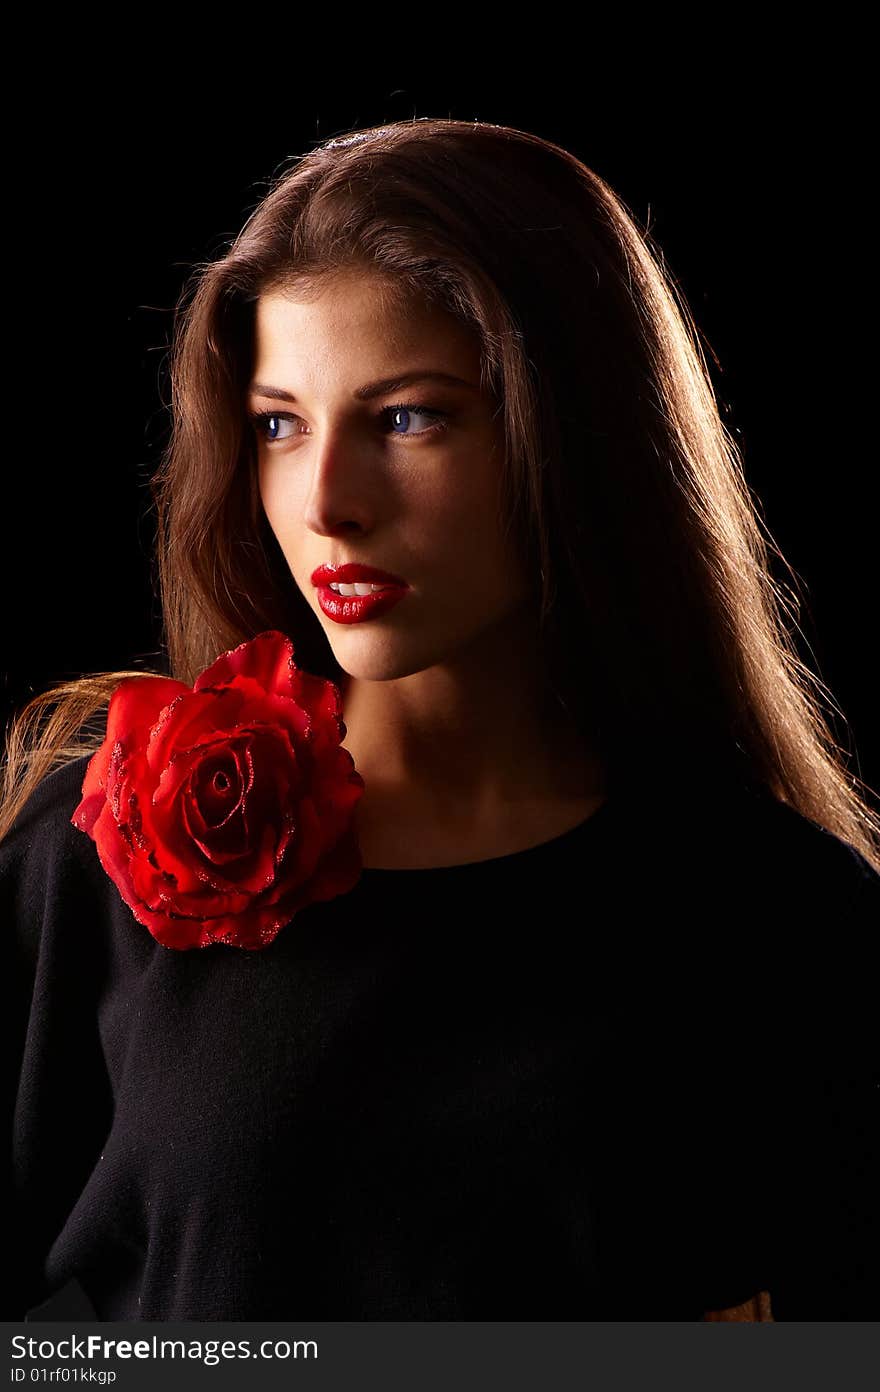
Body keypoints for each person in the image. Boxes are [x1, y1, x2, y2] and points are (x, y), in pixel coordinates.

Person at [3, 118, 877, 1322]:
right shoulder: (100, 845)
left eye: (409, 417)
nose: (327, 504)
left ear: (571, 436)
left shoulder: (779, 918)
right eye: (278, 424)